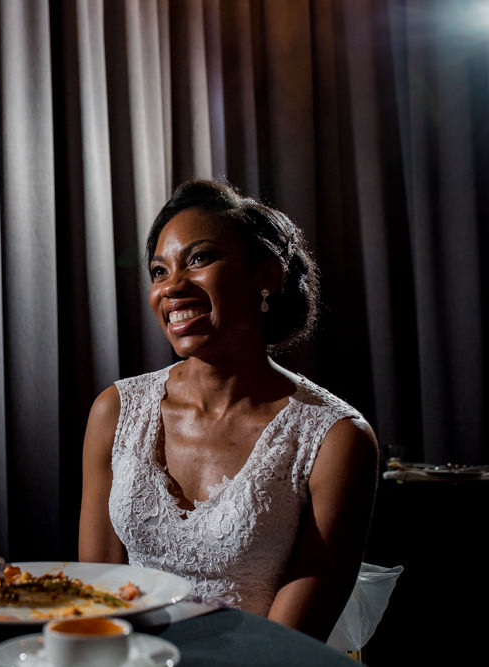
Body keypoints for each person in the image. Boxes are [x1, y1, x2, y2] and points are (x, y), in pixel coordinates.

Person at [79, 179, 378, 641]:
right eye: (159, 270)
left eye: (199, 259)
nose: (172, 287)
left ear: (267, 276)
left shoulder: (336, 438)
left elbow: (292, 641)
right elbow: (96, 594)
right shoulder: (115, 411)